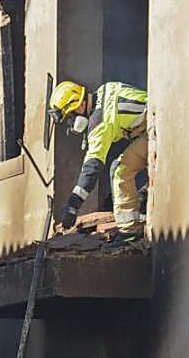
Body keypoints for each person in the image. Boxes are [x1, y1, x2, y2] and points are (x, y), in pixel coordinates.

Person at [49, 79, 149, 247]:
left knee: (119, 170)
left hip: (153, 128)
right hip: (154, 119)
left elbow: (92, 168)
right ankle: (143, 196)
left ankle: (130, 232)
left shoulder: (99, 122)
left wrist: (73, 205)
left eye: (71, 117)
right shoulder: (106, 88)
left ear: (80, 106)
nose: (72, 123)